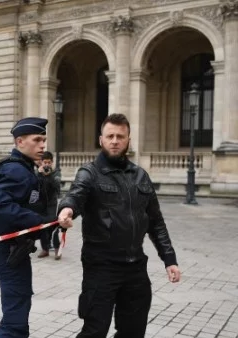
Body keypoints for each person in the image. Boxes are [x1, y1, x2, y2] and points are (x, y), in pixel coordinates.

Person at [57, 113, 181, 338]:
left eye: (120, 136)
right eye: (110, 136)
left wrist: (169, 259)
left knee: (133, 332)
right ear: (101, 139)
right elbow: (76, 194)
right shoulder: (90, 173)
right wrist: (67, 210)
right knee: (94, 331)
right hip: (101, 267)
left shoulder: (141, 176)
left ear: (128, 140)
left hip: (136, 269)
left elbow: (156, 222)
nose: (115, 140)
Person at [0, 117, 70, 337]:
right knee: (15, 321)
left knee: (19, 306)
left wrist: (51, 222)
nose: (42, 145)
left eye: (44, 140)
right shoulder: (16, 170)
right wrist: (38, 222)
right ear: (20, 141)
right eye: (37, 140)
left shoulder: (25, 168)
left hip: (13, 248)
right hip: (7, 249)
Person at [35, 151, 64, 260]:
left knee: (53, 226)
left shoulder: (56, 172)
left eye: (49, 162)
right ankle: (45, 249)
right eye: (45, 162)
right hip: (41, 204)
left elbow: (57, 187)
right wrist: (39, 173)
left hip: (52, 204)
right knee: (42, 226)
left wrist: (50, 175)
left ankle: (57, 250)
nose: (47, 164)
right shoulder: (38, 172)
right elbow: (34, 185)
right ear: (41, 162)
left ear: (52, 162)